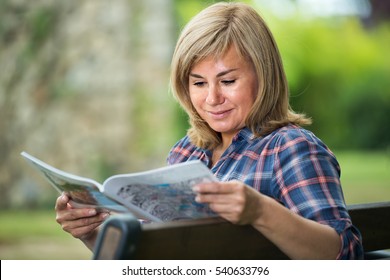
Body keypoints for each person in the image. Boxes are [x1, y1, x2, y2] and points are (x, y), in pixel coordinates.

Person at [55, 1, 363, 259]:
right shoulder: (185, 153)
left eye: (228, 81)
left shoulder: (290, 149)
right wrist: (93, 231)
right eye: (199, 83)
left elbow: (345, 256)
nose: (212, 98)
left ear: (264, 75)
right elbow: (157, 256)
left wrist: (260, 211)